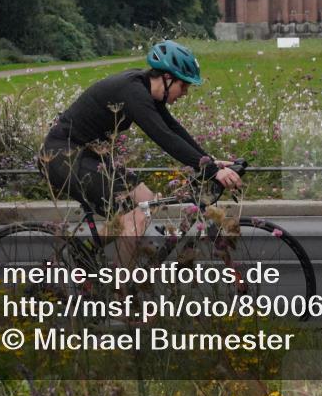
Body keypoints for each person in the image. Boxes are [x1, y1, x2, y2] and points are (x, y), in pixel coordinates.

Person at [36, 40, 241, 265]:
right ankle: (119, 292)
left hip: (88, 156)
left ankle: (86, 249)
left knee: (147, 201)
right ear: (167, 78)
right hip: (63, 157)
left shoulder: (141, 87)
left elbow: (173, 129)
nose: (184, 93)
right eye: (183, 86)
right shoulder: (133, 92)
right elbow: (163, 136)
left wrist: (209, 162)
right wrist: (210, 169)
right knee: (136, 218)